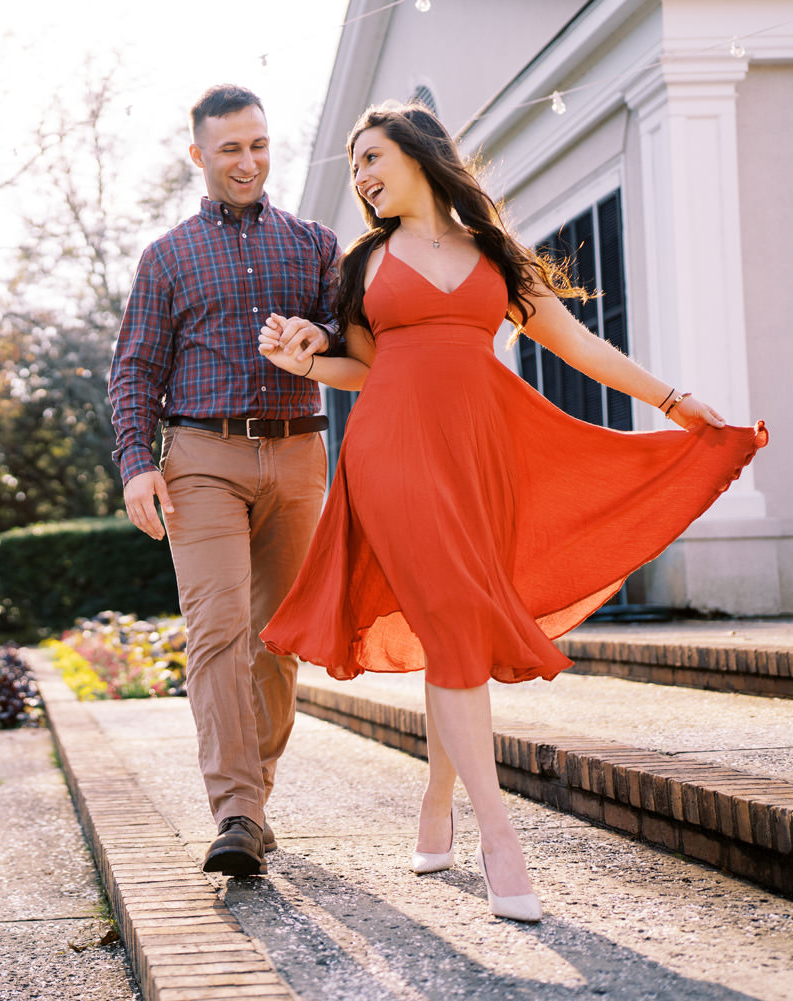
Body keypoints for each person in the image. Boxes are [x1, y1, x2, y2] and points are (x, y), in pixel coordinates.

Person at [256, 102, 767, 921]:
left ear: (420, 154)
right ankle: (501, 838)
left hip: (481, 458)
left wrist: (673, 400)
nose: (361, 176)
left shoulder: (495, 253)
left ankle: (435, 797)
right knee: (456, 620)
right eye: (354, 166)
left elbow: (576, 344)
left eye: (371, 157)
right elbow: (364, 369)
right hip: (393, 459)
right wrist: (306, 360)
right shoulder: (363, 263)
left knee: (456, 633)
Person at [108, 84, 343, 877]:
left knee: (278, 643)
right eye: (231, 148)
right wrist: (138, 465)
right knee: (216, 632)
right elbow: (134, 370)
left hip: (300, 455)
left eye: (259, 144)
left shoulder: (313, 244)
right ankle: (235, 809)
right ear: (198, 155)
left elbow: (356, 329)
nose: (248, 161)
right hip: (203, 459)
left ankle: (254, 798)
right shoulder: (168, 257)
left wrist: (324, 330)